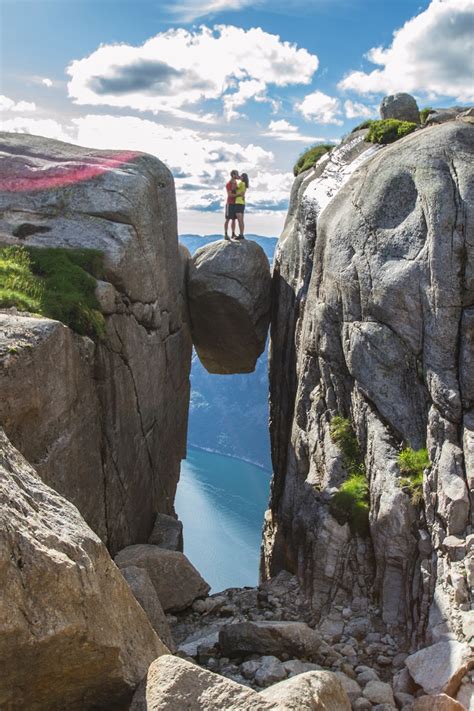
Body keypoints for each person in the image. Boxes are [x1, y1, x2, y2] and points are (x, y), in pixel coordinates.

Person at [224, 170, 239, 240]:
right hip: (229, 203)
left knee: (234, 219)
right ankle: (226, 234)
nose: (237, 175)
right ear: (233, 175)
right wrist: (238, 194)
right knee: (227, 219)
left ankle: (233, 234)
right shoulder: (229, 184)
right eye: (236, 174)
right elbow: (229, 194)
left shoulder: (236, 183)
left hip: (235, 203)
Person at [233, 173, 249, 240]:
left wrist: (236, 178)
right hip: (242, 203)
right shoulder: (245, 184)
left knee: (239, 220)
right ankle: (241, 234)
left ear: (243, 177)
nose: (240, 177)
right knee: (241, 220)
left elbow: (234, 188)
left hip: (238, 202)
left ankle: (241, 235)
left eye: (241, 176)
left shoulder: (241, 183)